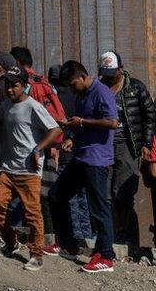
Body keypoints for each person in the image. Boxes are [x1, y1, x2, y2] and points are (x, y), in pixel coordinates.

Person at [47, 61, 119, 273]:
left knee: (98, 208)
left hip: (96, 159)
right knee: (56, 195)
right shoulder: (81, 95)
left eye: (71, 84)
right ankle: (68, 244)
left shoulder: (101, 92)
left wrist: (82, 123)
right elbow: (81, 123)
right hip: (81, 156)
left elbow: (113, 122)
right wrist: (71, 135)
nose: (70, 89)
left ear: (81, 77)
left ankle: (106, 256)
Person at [0, 66, 62, 272]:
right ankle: (11, 241)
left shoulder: (33, 106)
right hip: (8, 168)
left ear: (24, 86)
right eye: (7, 85)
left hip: (29, 170)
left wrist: (38, 149)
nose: (10, 89)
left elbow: (56, 129)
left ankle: (36, 254)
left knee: (32, 213)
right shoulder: (5, 106)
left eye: (14, 85)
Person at [97, 51, 156, 246]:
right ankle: (108, 236)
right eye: (106, 72)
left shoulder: (135, 88)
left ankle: (126, 237)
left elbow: (150, 115)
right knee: (103, 192)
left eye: (112, 72)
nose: (109, 76)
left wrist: (146, 143)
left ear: (121, 69)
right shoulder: (100, 88)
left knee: (122, 192)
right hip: (103, 145)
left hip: (127, 145)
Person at [9, 47, 67, 243]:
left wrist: (46, 146)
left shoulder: (30, 86)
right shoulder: (44, 84)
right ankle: (43, 236)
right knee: (40, 194)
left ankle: (39, 237)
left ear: (17, 63)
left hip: (36, 149)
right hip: (45, 147)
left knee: (34, 194)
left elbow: (45, 118)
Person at [49, 63, 94, 246]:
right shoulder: (79, 95)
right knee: (82, 196)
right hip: (78, 150)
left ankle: (76, 237)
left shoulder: (55, 96)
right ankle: (87, 234)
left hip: (63, 150)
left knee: (69, 197)